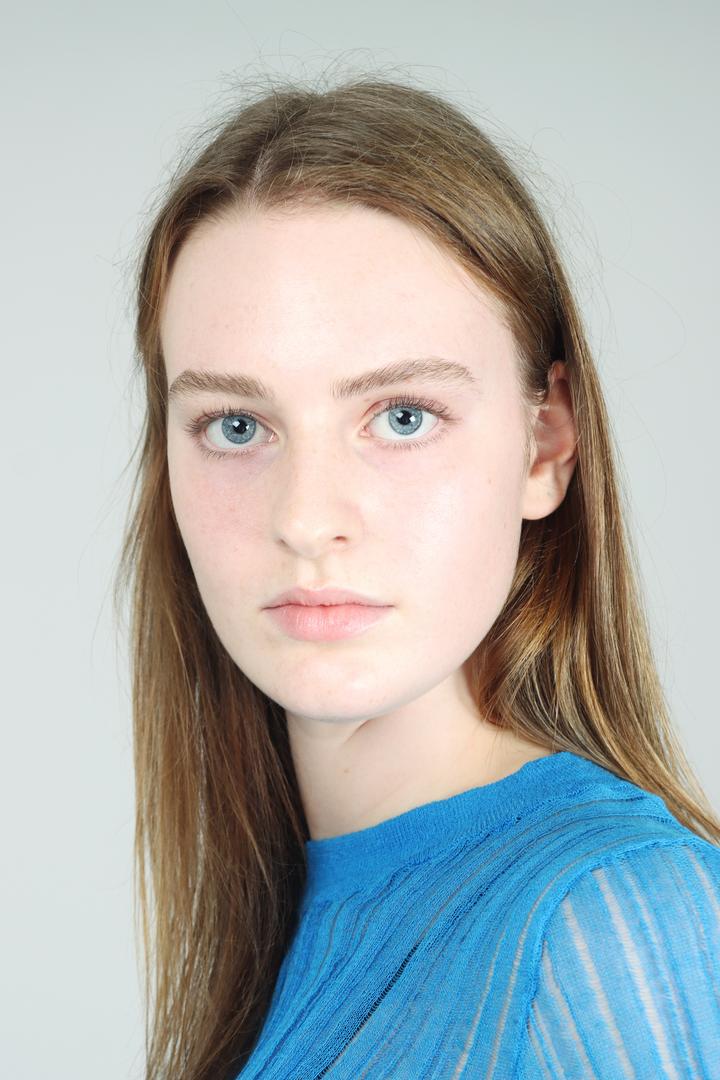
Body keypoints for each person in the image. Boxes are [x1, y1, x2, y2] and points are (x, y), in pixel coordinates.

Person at [114, 73, 720, 1080]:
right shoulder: (288, 912)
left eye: (402, 417)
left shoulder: (609, 919)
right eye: (236, 426)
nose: (306, 518)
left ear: (546, 445)